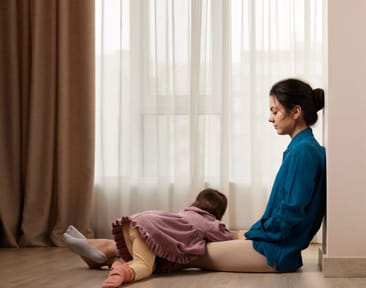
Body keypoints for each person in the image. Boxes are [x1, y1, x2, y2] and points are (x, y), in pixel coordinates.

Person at [65, 77, 326, 276]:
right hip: (276, 243)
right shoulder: (303, 148)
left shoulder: (303, 152)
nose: (270, 118)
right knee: (187, 242)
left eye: (275, 111)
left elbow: (291, 213)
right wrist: (252, 231)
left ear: (296, 111)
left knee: (186, 250)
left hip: (277, 251)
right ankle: (105, 250)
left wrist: (253, 232)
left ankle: (106, 250)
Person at [65, 188, 233, 288]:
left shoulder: (185, 213)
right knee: (144, 265)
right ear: (219, 212)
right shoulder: (211, 223)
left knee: (133, 255)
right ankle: (124, 271)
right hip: (147, 230)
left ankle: (96, 256)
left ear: (195, 202)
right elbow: (226, 239)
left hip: (135, 222)